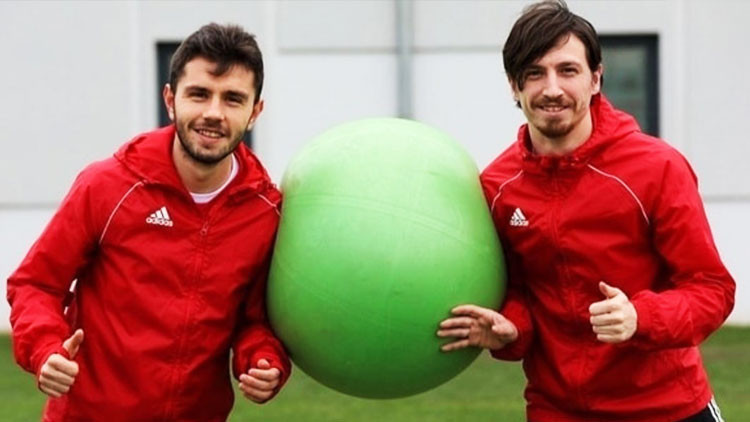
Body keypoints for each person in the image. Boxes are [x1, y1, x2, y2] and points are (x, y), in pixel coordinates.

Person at [437, 1, 735, 421]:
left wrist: (640, 316)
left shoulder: (657, 168)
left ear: (595, 78)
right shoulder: (498, 186)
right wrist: (511, 329)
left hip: (667, 407)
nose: (552, 89)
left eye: (568, 70)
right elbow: (517, 289)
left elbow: (712, 290)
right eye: (535, 73)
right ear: (513, 86)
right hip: (558, 409)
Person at [7, 23, 291, 421]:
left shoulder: (264, 211)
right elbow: (36, 284)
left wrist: (264, 360)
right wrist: (45, 348)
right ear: (171, 100)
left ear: (255, 112)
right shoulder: (107, 185)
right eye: (199, 94)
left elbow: (257, 319)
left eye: (232, 99)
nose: (213, 113)